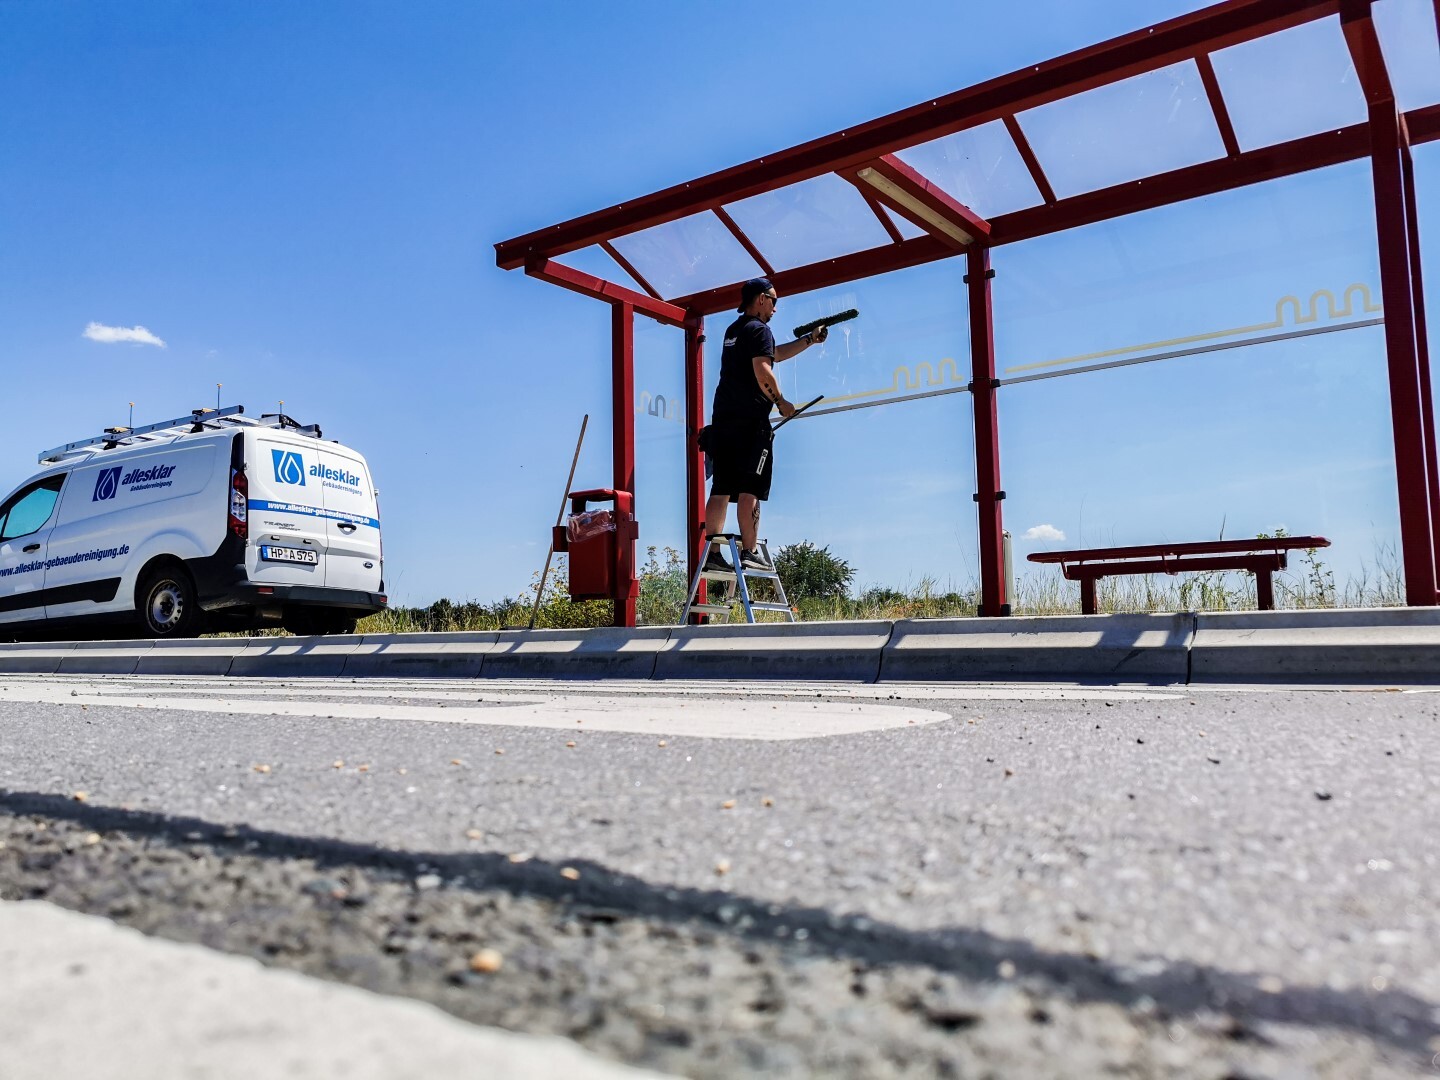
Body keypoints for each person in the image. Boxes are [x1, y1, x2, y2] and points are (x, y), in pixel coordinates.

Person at [702, 277, 828, 574]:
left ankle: (714, 554)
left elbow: (774, 354)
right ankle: (749, 551)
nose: (775, 308)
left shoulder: (736, 330)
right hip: (750, 426)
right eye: (774, 301)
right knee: (749, 489)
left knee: (720, 488)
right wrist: (781, 402)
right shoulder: (760, 330)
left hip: (723, 423)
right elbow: (763, 369)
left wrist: (809, 339)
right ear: (761, 299)